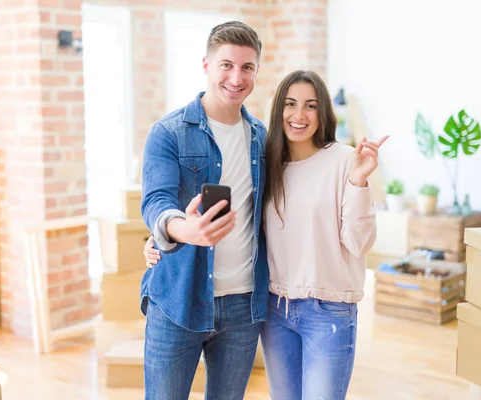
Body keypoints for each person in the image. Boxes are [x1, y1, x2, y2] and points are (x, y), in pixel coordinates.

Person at [145, 70, 388, 399]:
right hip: (276, 310)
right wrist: (165, 235)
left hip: (327, 311)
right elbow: (244, 222)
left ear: (324, 112)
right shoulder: (269, 160)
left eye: (310, 106)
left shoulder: (345, 161)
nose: (299, 115)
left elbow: (360, 242)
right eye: (290, 104)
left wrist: (359, 182)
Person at [139, 21, 270, 400]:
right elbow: (156, 202)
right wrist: (181, 230)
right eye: (226, 64)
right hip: (178, 298)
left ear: (257, 72)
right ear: (206, 66)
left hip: (244, 306)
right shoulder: (170, 132)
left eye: (247, 67)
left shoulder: (262, 138)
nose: (236, 77)